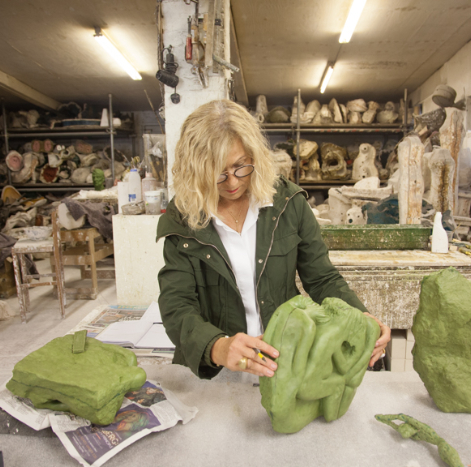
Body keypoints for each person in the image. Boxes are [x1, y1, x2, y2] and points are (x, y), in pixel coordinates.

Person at [156, 99, 391, 380]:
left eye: (241, 166)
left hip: (283, 359)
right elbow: (177, 304)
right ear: (195, 170)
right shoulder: (184, 215)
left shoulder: (287, 202)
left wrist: (360, 316)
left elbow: (322, 279)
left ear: (254, 155)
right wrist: (217, 346)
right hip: (214, 370)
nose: (232, 182)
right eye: (217, 173)